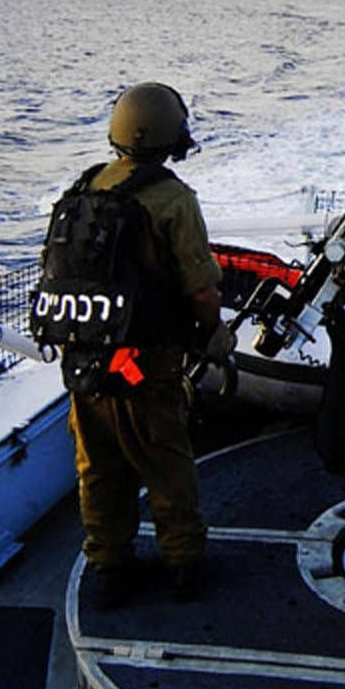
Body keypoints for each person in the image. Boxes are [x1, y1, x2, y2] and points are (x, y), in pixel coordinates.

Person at [63, 81, 234, 608]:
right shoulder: (173, 200)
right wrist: (214, 337)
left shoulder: (86, 188)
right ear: (171, 135)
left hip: (86, 360)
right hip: (144, 364)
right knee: (164, 458)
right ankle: (182, 563)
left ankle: (109, 567)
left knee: (98, 465)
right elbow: (202, 291)